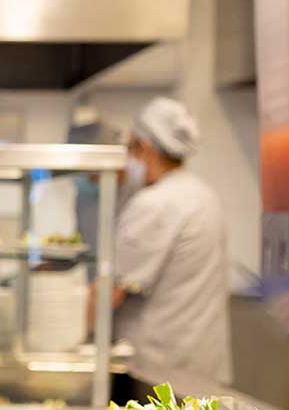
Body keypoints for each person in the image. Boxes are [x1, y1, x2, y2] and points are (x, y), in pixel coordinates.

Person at [98, 96, 232, 384]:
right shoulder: (203, 194)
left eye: (130, 149)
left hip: (156, 371)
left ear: (144, 149)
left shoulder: (154, 203)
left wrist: (77, 342)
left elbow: (109, 291)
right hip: (198, 364)